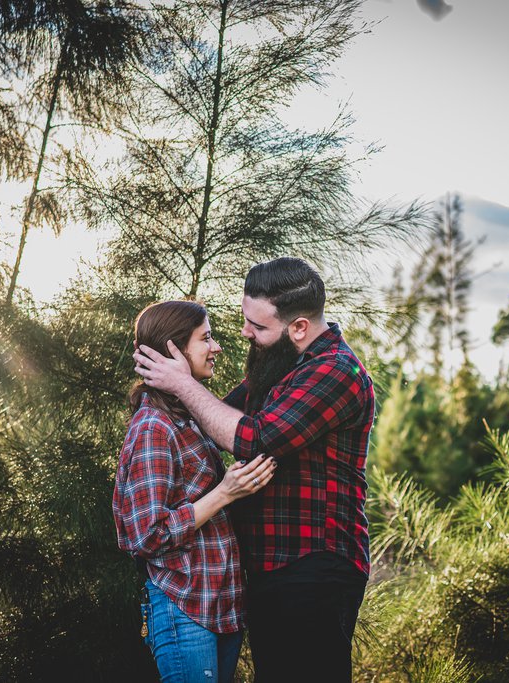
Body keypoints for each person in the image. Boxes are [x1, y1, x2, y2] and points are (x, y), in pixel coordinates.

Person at [134, 258, 375, 682]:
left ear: (298, 327)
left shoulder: (336, 370)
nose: (245, 332)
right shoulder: (282, 363)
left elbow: (256, 438)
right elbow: (216, 418)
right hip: (272, 570)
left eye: (258, 326)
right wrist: (166, 393)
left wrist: (183, 385)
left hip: (313, 568)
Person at [113, 300, 277, 683]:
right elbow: (146, 535)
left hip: (219, 609)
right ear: (173, 349)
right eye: (206, 338)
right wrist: (225, 493)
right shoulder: (154, 427)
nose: (216, 347)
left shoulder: (188, 421)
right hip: (184, 610)